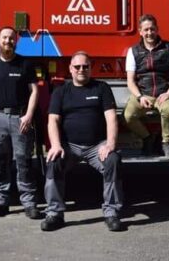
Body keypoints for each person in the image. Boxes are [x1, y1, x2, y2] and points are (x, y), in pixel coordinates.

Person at [41, 51, 125, 232]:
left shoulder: (101, 88)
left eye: (85, 67)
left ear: (90, 68)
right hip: (69, 146)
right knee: (53, 161)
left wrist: (110, 144)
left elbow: (111, 118)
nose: (81, 70)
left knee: (113, 160)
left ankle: (111, 213)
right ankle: (54, 214)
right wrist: (55, 145)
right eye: (77, 67)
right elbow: (53, 120)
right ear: (70, 69)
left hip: (97, 146)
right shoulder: (61, 91)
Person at [0, 26, 42, 219]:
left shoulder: (25, 65)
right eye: (5, 37)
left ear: (17, 41)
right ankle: (0, 202)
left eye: (12, 38)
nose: (8, 41)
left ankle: (29, 203)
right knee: (1, 160)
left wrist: (29, 115)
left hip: (19, 119)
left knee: (23, 161)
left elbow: (35, 91)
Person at [124, 14, 169, 158]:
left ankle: (166, 142)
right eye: (146, 30)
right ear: (140, 31)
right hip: (143, 93)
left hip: (163, 93)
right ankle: (147, 138)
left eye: (152, 29)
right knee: (127, 116)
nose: (149, 33)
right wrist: (140, 97)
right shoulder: (133, 51)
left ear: (157, 30)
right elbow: (130, 80)